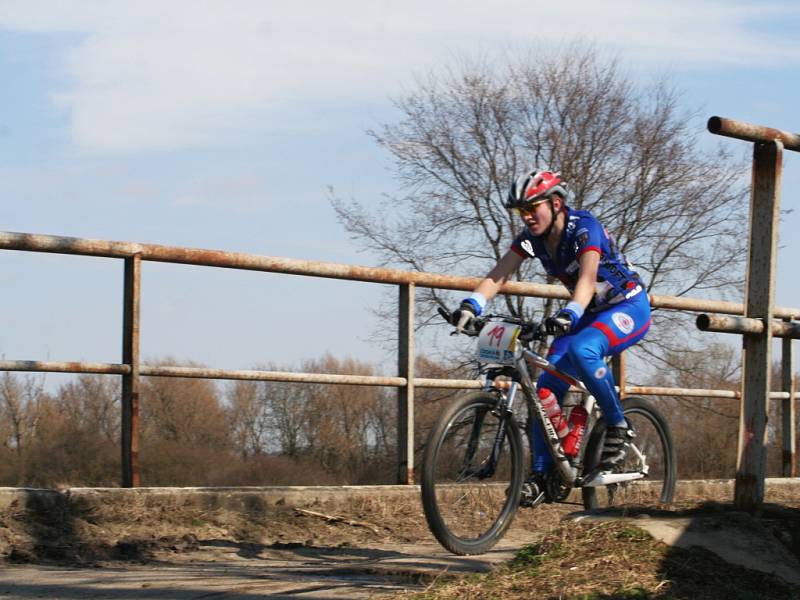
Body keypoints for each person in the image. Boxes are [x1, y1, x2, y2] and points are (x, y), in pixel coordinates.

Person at [451, 169, 650, 506]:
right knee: (544, 389)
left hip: (627, 306)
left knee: (585, 349)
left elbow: (587, 279)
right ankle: (544, 473)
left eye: (532, 208)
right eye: (520, 211)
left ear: (555, 203)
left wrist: (569, 313)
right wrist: (471, 305)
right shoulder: (532, 239)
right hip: (586, 312)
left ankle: (619, 424)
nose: (526, 216)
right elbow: (499, 275)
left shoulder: (585, 227)